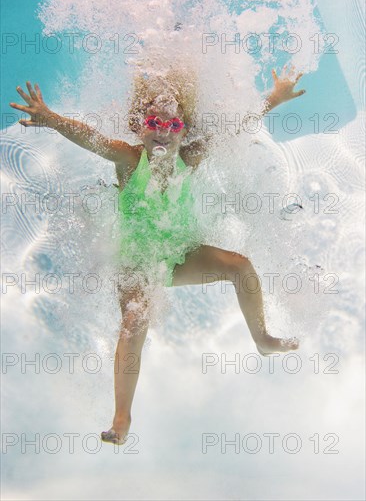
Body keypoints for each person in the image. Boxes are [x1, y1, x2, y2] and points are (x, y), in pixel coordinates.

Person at [9, 64, 306, 445]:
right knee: (135, 320)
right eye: (154, 122)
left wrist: (273, 100)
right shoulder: (130, 159)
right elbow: (91, 138)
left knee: (241, 267)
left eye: (174, 126)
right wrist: (51, 119)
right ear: (138, 125)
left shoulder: (192, 157)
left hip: (179, 253)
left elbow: (234, 130)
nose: (163, 130)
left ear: (184, 133)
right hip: (134, 260)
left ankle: (262, 338)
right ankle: (121, 418)